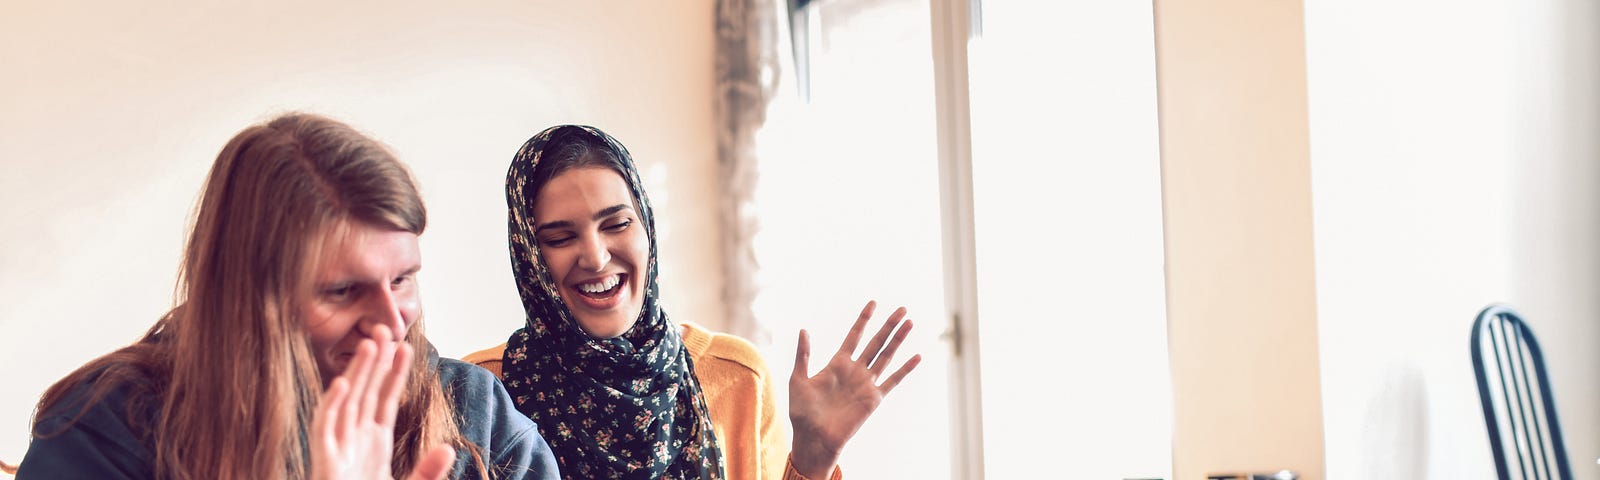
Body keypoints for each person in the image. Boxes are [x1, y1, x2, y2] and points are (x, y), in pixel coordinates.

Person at [17, 113, 560, 479]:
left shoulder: (475, 413)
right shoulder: (105, 426)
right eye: (343, 291)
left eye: (402, 280)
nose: (391, 323)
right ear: (245, 293)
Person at [463, 125, 920, 480]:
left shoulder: (738, 378)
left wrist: (813, 460)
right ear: (528, 257)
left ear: (647, 229)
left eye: (617, 224)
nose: (597, 257)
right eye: (561, 237)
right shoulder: (478, 396)